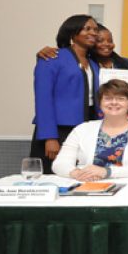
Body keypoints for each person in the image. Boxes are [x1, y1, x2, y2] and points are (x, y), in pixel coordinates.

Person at [32, 14, 101, 173]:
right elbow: (43, 101)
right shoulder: (51, 58)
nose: (93, 33)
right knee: (54, 177)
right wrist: (50, 137)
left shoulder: (93, 64)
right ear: (72, 33)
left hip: (86, 128)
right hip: (59, 130)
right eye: (87, 29)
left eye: (96, 30)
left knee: (81, 177)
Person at [52, 80, 128, 180]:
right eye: (108, 98)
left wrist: (106, 172)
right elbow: (59, 164)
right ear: (100, 103)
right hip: (87, 185)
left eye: (121, 99)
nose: (113, 102)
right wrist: (76, 173)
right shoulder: (82, 129)